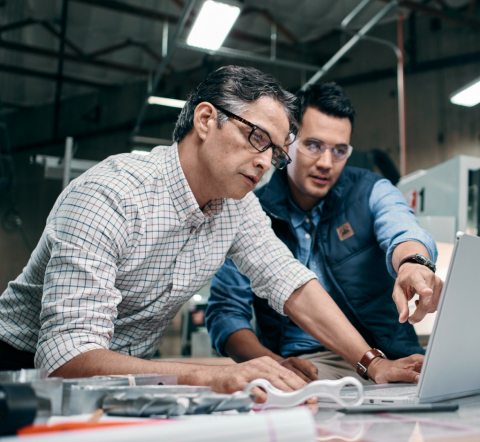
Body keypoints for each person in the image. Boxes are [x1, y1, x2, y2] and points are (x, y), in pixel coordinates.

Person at [0, 67, 425, 398]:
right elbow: (64, 358)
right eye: (256, 137)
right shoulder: (110, 196)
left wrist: (374, 364)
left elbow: (291, 282)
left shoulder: (236, 208)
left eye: (275, 152)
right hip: (20, 373)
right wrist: (214, 376)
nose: (264, 161)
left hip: (129, 377)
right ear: (206, 119)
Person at [206, 82, 444, 384]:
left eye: (340, 150)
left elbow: (402, 228)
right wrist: (276, 366)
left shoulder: (370, 190)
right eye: (313, 145)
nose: (326, 163)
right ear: (287, 141)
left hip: (390, 355)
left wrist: (413, 263)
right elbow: (226, 313)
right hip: (308, 365)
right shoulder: (250, 212)